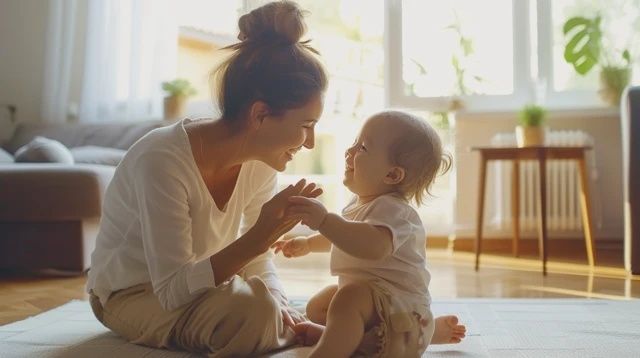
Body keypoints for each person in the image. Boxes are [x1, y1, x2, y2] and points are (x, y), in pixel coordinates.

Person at [86, 1, 329, 356]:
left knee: (266, 306)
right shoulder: (163, 160)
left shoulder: (261, 162)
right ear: (260, 114)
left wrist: (281, 304)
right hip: (132, 293)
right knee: (254, 312)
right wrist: (260, 237)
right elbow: (170, 290)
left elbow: (257, 263)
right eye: (306, 126)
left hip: (202, 287)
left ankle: (285, 327)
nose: (310, 142)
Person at [272, 110, 466, 357]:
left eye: (362, 148)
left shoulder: (394, 210)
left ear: (392, 175)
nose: (349, 152)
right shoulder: (359, 206)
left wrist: (324, 220)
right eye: (354, 143)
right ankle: (351, 340)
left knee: (348, 298)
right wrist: (309, 244)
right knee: (320, 305)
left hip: (402, 316)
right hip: (382, 317)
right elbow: (345, 237)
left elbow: (372, 246)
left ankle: (331, 351)